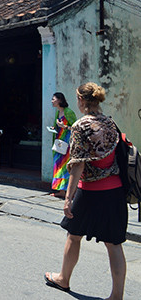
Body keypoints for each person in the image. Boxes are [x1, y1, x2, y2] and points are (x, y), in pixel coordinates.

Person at [44, 82, 127, 300]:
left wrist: (68, 198)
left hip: (89, 190)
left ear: (81, 100)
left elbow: (77, 164)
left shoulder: (81, 126)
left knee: (74, 235)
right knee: (113, 243)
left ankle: (63, 278)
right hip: (115, 189)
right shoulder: (111, 123)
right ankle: (117, 295)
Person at [51, 92, 77, 198]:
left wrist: (65, 127)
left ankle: (69, 191)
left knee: (66, 167)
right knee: (58, 166)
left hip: (67, 143)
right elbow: (58, 127)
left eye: (54, 99)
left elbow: (76, 128)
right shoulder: (58, 112)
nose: (52, 101)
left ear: (60, 100)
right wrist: (55, 128)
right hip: (59, 143)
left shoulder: (68, 112)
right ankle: (61, 191)